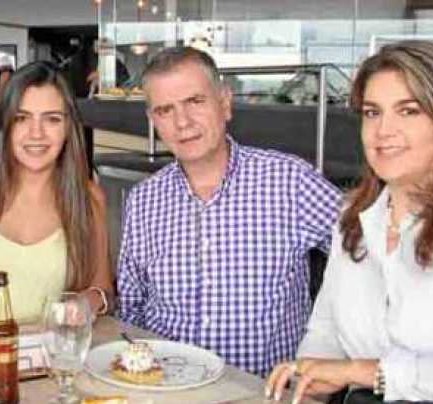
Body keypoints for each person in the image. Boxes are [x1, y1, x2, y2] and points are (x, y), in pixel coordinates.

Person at [265, 40, 433, 404]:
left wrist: (360, 372)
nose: (383, 131)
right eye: (373, 113)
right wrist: (307, 375)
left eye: (409, 111)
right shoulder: (354, 222)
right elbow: (326, 329)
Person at [117, 46, 341, 378]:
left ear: (225, 103)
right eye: (166, 110)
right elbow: (132, 308)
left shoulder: (290, 181)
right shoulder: (143, 200)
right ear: (153, 121)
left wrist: (328, 354)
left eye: (195, 102)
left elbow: (366, 255)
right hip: (166, 393)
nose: (183, 122)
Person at [0, 61, 113, 323]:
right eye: (22, 118)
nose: (36, 133)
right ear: (5, 127)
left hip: (56, 360)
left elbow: (103, 289)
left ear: (68, 129)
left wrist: (91, 300)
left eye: (52, 119)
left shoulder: (89, 197)